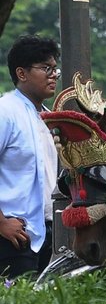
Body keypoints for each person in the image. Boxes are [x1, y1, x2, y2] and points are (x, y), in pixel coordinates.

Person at [0, 35, 60, 280]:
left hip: (48, 236)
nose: (53, 74)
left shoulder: (52, 118)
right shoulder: (6, 110)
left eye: (55, 68)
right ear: (21, 74)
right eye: (46, 68)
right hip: (13, 235)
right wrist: (2, 224)